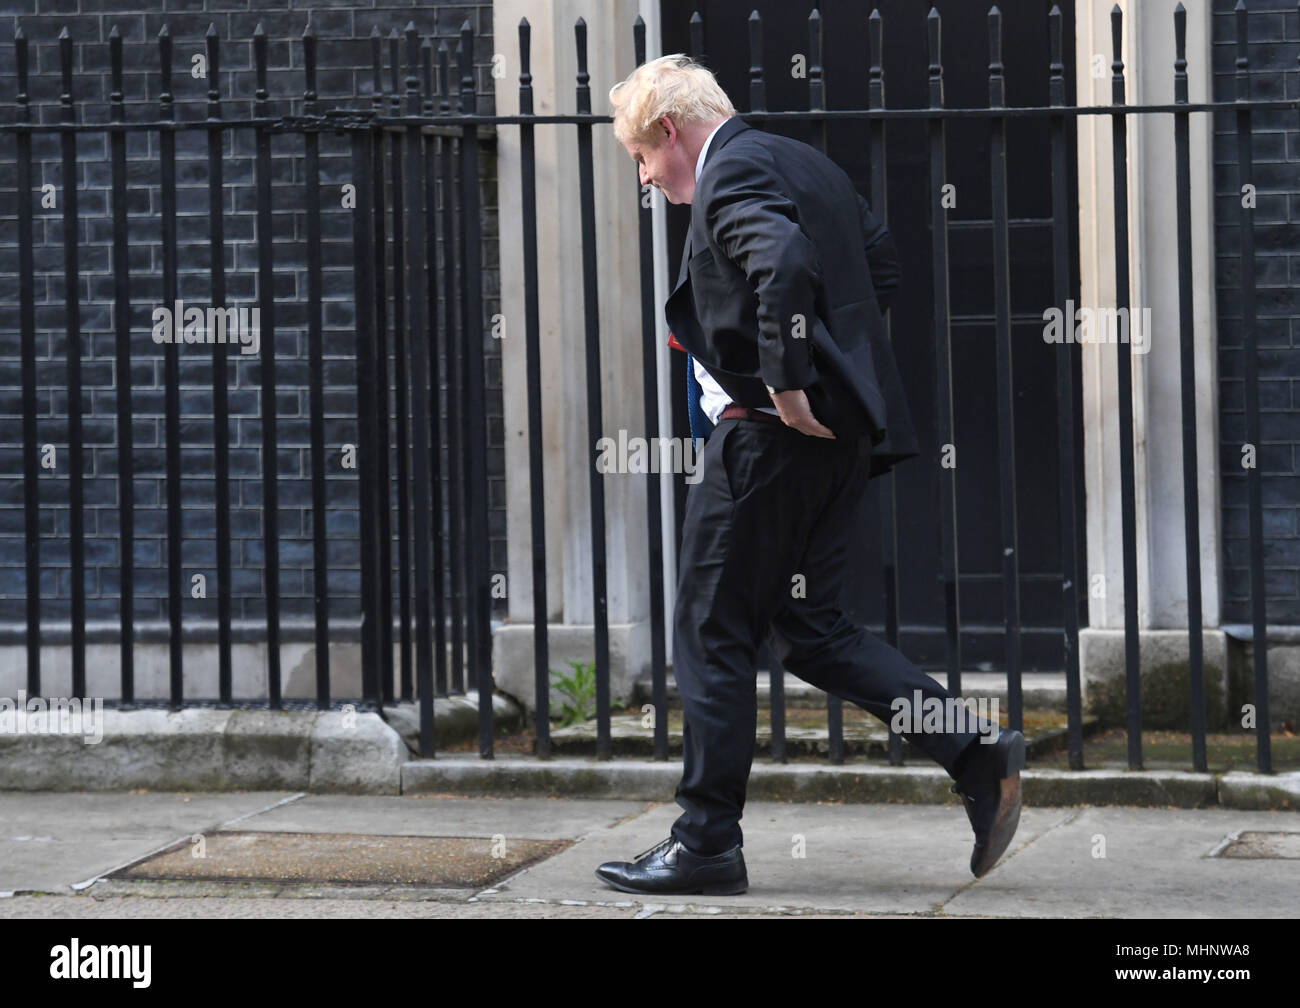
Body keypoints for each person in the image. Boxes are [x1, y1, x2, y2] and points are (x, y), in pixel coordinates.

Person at [596, 54, 1023, 896]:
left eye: (642, 158)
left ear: (671, 134)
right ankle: (972, 752)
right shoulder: (803, 161)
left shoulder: (729, 176)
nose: (645, 178)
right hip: (834, 446)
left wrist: (789, 384)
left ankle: (705, 842)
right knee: (808, 628)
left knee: (711, 629)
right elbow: (880, 265)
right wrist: (837, 378)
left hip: (766, 443)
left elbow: (784, 261)